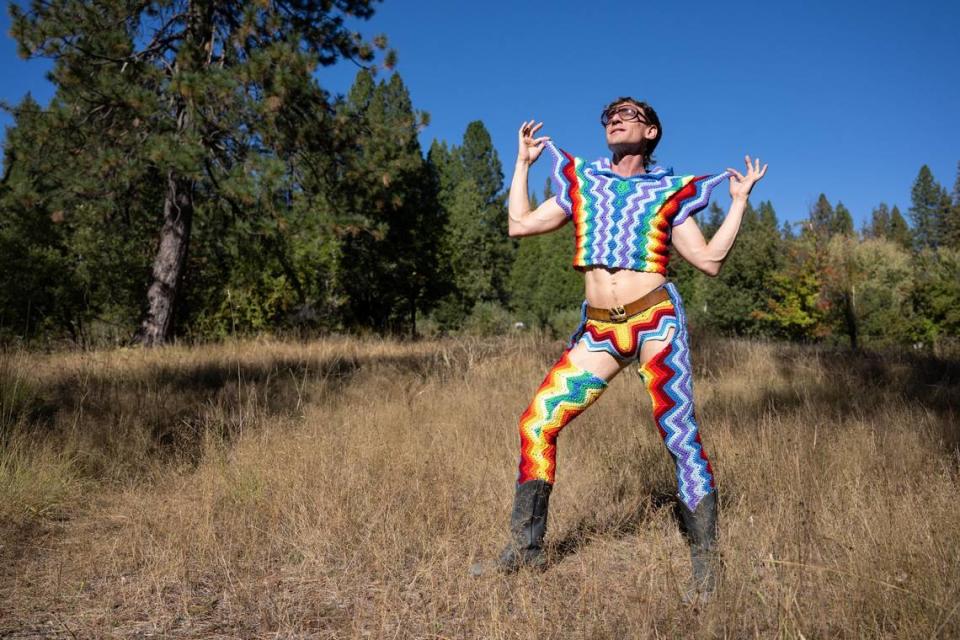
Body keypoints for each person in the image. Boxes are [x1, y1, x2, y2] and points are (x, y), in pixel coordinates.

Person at [472, 98, 767, 598]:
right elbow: (519, 224)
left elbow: (710, 260)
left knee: (678, 432)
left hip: (656, 322)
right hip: (601, 331)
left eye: (628, 114)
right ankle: (524, 551)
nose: (614, 119)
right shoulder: (584, 184)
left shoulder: (669, 192)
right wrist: (522, 164)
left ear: (651, 132)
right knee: (537, 422)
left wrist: (737, 201)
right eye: (609, 116)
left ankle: (706, 564)